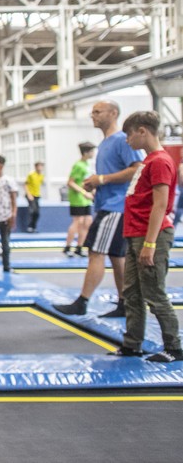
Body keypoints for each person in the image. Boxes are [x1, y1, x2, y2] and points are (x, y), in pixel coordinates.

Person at [54, 100, 143, 317]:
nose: (93, 115)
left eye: (97, 112)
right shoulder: (105, 143)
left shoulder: (122, 140)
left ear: (113, 113)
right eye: (92, 112)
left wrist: (101, 179)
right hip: (108, 204)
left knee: (96, 252)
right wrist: (95, 183)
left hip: (115, 207)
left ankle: (82, 301)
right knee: (116, 255)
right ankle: (124, 303)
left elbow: (138, 168)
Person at [110, 111, 181, 362]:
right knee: (132, 292)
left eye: (129, 135)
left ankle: (174, 346)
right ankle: (133, 343)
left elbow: (160, 205)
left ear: (142, 131)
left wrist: (150, 243)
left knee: (154, 292)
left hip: (151, 236)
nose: (127, 141)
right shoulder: (147, 162)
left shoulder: (160, 161)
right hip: (135, 234)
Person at [63, 142, 96, 258]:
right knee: (77, 222)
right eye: (91, 151)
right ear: (86, 152)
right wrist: (84, 193)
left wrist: (91, 191)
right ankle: (67, 247)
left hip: (85, 199)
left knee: (87, 222)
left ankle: (79, 247)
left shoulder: (87, 164)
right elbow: (70, 182)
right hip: (77, 199)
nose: (93, 153)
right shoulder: (78, 165)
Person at [24, 162, 44, 233]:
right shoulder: (31, 175)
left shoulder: (41, 175)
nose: (40, 168)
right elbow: (26, 185)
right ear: (36, 167)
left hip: (37, 195)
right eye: (39, 166)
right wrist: (29, 194)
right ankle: (29, 227)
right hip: (31, 195)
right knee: (32, 211)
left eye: (41, 166)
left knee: (37, 212)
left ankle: (33, 227)